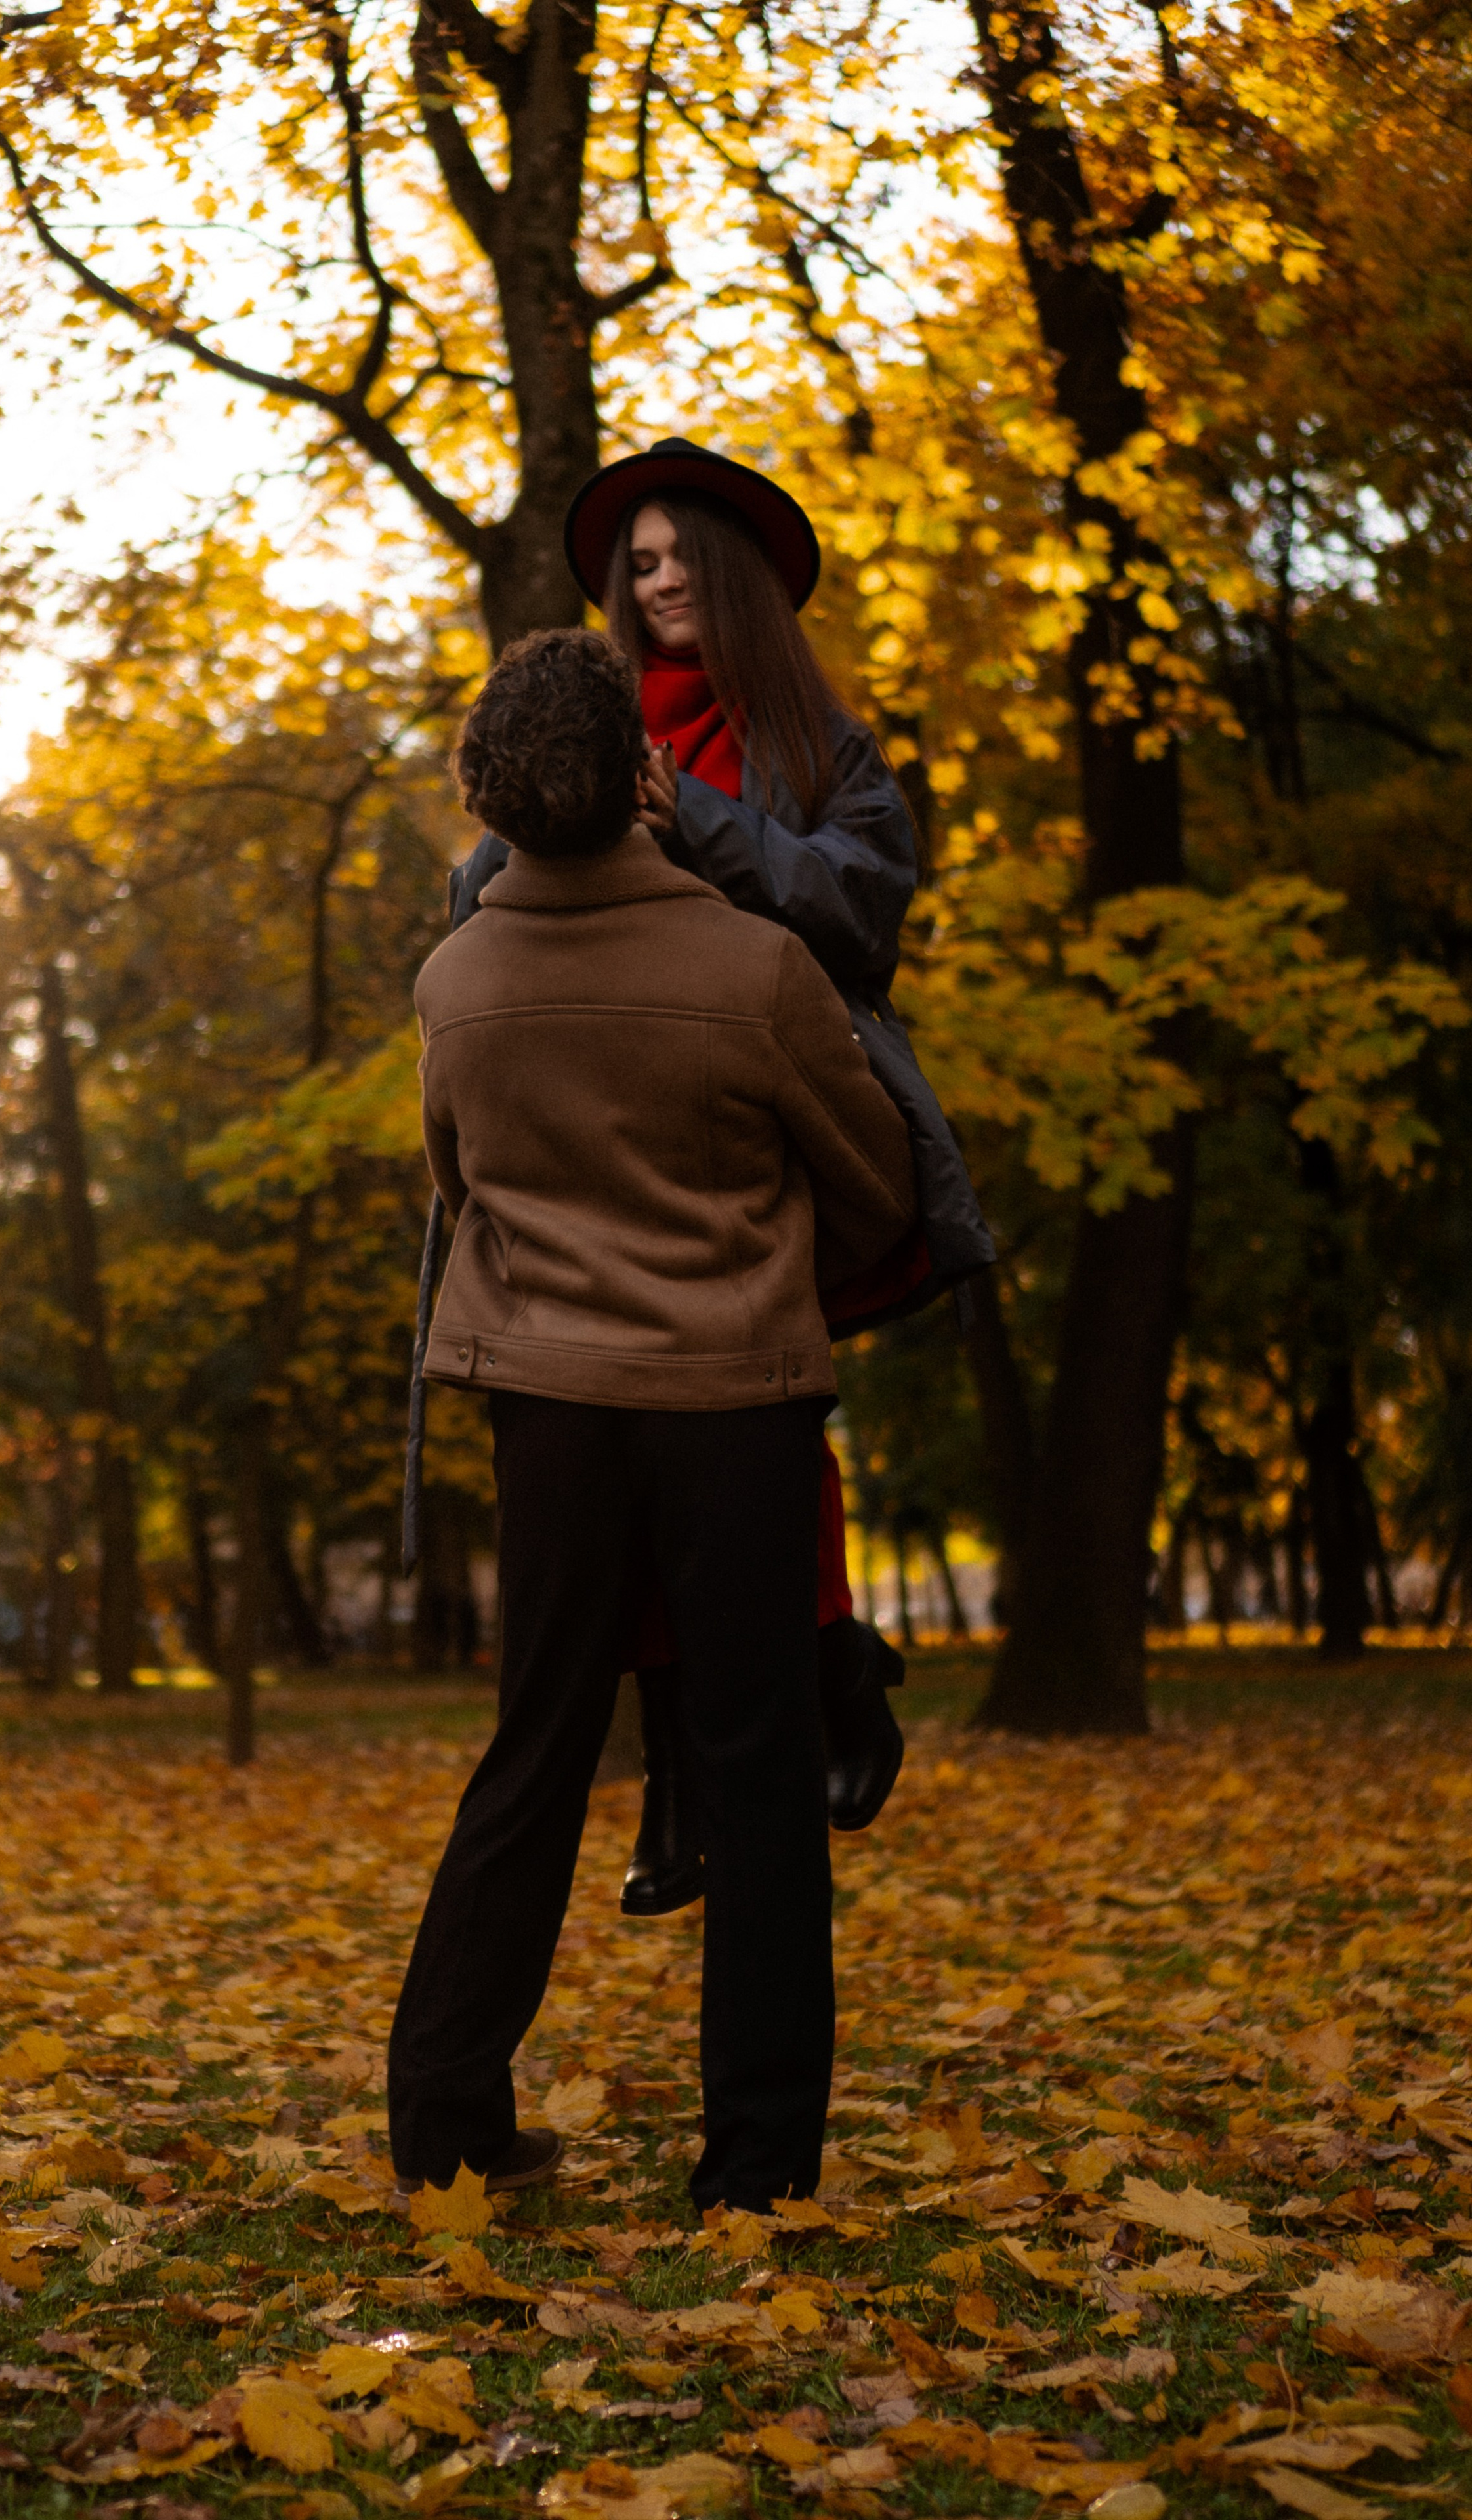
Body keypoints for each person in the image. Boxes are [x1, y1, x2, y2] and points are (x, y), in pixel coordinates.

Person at [387, 627, 918, 2212]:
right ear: (641, 774)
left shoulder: (453, 984)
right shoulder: (754, 969)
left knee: (533, 1754)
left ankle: (446, 2129)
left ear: (490, 793)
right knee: (755, 1768)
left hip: (547, 1415)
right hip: (730, 1405)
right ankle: (754, 2164)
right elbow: (876, 1183)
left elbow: (459, 1186)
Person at [444, 438, 995, 1916]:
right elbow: (478, 895)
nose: (660, 578)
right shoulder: (588, 728)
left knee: (760, 1415)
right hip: (611, 1129)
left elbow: (863, 910)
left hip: (768, 1118)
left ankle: (809, 1674)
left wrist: (703, 823)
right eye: (638, 563)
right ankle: (715, 1745)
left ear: (738, 573)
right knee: (638, 1445)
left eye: (684, 554)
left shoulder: (818, 746)